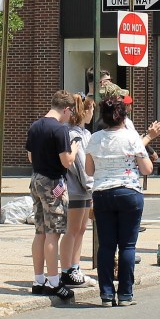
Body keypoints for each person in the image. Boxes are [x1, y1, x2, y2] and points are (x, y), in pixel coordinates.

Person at [85, 96, 160, 306]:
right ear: (123, 116)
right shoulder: (131, 137)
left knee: (106, 246)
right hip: (129, 191)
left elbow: (89, 170)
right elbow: (147, 168)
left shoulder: (95, 138)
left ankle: (106, 294)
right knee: (127, 246)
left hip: (102, 193)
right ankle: (125, 294)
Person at [25, 90, 77, 301]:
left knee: (40, 231)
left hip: (36, 178)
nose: (70, 116)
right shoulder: (60, 129)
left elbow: (30, 156)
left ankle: (39, 280)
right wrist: (74, 149)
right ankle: (55, 282)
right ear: (66, 109)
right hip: (53, 181)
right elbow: (66, 161)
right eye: (71, 112)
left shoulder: (35, 126)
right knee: (53, 233)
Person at [58, 94, 94, 288]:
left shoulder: (84, 133)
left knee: (80, 229)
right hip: (75, 188)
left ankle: (75, 267)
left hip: (83, 189)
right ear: (85, 111)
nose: (93, 113)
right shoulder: (74, 134)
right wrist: (91, 186)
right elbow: (80, 165)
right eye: (92, 109)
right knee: (72, 230)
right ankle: (67, 270)